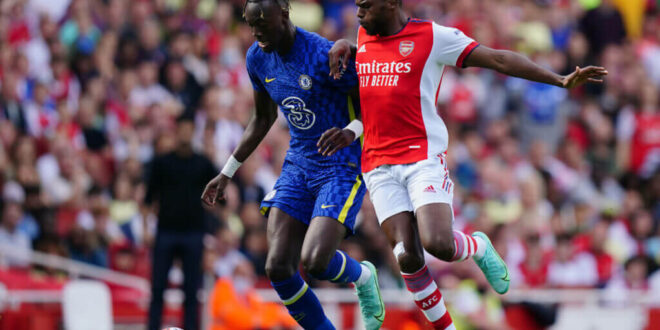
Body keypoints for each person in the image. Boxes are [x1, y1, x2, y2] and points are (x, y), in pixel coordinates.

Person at [318, 0, 607, 328]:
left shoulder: (432, 37)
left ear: (390, 3)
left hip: (421, 157)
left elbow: (497, 58)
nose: (358, 13)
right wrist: (351, 124)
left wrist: (559, 79)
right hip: (377, 164)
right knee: (406, 257)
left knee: (438, 243)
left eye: (365, 6)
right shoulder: (363, 38)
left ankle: (477, 245)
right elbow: (370, 98)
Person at [201, 0, 385, 329]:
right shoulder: (257, 57)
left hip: (339, 164)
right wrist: (226, 173)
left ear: (285, 14)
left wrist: (349, 131)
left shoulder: (322, 53)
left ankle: (363, 275)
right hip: (298, 164)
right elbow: (262, 118)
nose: (256, 31)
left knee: (315, 262)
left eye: (263, 23)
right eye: (250, 23)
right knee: (277, 268)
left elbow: (371, 103)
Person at [145, 115, 218, 330]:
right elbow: (149, 197)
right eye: (182, 129)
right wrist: (145, 226)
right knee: (157, 288)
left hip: (193, 232)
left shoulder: (203, 163)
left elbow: (217, 195)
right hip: (166, 231)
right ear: (177, 131)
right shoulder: (162, 163)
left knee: (191, 291)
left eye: (189, 129)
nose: (185, 133)